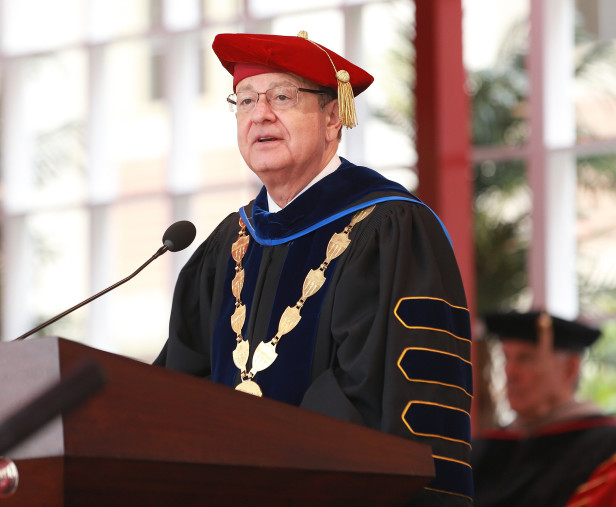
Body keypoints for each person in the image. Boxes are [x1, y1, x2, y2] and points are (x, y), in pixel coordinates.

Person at [154, 31, 473, 505]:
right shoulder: (227, 245)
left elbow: (376, 391)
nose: (260, 113)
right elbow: (177, 385)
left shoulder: (389, 228)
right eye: (245, 100)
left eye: (282, 96)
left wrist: (262, 467)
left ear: (331, 118)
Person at [472, 310, 616, 507]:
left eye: (526, 359)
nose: (510, 372)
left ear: (570, 368)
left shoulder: (607, 449)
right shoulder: (485, 448)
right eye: (506, 358)